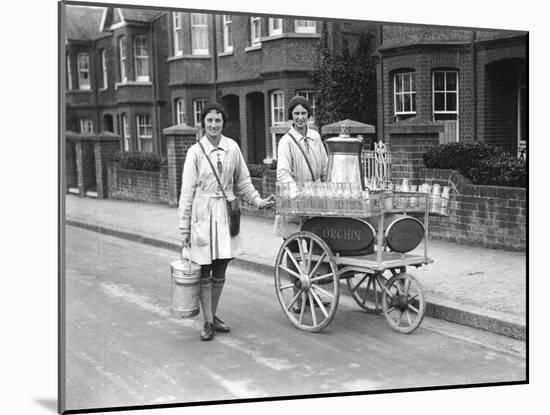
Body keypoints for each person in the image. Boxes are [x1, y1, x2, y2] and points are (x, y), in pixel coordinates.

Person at [178, 102, 274, 341]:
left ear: (223, 123)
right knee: (205, 269)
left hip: (226, 214)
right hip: (203, 215)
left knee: (221, 266)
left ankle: (213, 315)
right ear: (203, 123)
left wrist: (259, 201)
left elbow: (243, 182)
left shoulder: (232, 148)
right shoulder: (195, 152)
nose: (213, 125)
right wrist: (184, 227)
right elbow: (187, 192)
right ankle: (208, 322)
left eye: (218, 120)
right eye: (209, 120)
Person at [273, 95, 329, 312]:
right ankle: (298, 296)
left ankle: (313, 291)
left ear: (308, 115)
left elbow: (324, 168)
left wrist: (324, 190)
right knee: (294, 250)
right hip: (293, 202)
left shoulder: (315, 137)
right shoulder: (286, 141)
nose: (300, 118)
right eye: (296, 114)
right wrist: (298, 193)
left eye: (303, 113)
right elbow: (283, 173)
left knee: (315, 250)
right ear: (291, 117)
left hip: (315, 202)